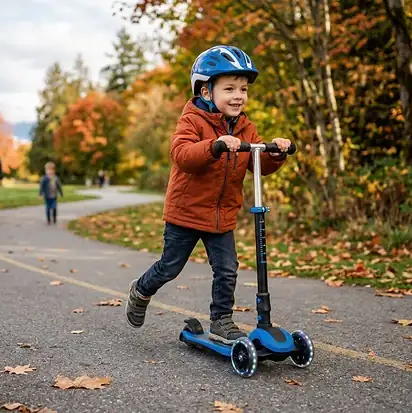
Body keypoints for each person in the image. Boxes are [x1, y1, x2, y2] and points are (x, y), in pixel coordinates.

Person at [124, 45, 292, 344]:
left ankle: (221, 320)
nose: (238, 95)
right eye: (229, 88)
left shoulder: (245, 126)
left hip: (221, 216)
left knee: (227, 269)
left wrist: (275, 152)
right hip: (186, 213)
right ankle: (141, 290)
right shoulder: (192, 120)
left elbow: (259, 165)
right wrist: (213, 146)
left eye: (243, 88)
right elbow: (182, 155)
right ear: (205, 91)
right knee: (170, 267)